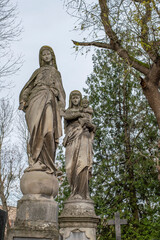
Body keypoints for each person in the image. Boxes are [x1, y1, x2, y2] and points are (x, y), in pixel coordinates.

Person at [19, 45, 65, 174]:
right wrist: (23, 99)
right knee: (35, 131)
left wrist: (62, 107)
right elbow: (28, 88)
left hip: (49, 101)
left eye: (48, 54)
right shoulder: (37, 72)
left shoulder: (56, 73)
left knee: (49, 131)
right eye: (43, 55)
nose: (46, 56)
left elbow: (61, 92)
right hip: (35, 100)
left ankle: (48, 162)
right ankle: (35, 160)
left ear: (52, 56)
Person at [63, 90, 95, 199]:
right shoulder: (69, 111)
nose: (75, 99)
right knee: (70, 166)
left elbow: (92, 127)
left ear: (80, 99)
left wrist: (90, 125)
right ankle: (74, 191)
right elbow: (67, 116)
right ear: (71, 100)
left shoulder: (86, 112)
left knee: (82, 164)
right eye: (73, 98)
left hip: (84, 138)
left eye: (77, 97)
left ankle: (83, 193)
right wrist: (80, 114)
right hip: (72, 139)